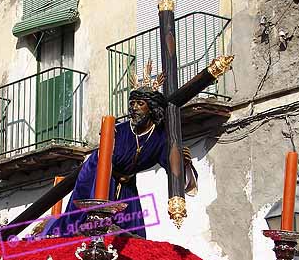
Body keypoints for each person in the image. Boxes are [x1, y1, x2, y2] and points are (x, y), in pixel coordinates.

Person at [43, 69, 197, 239]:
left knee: (132, 235)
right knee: (83, 223)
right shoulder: (118, 131)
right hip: (98, 174)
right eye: (132, 104)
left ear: (151, 108)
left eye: (140, 104)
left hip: (127, 184)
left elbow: (172, 167)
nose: (134, 108)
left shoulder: (159, 139)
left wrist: (182, 162)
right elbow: (105, 162)